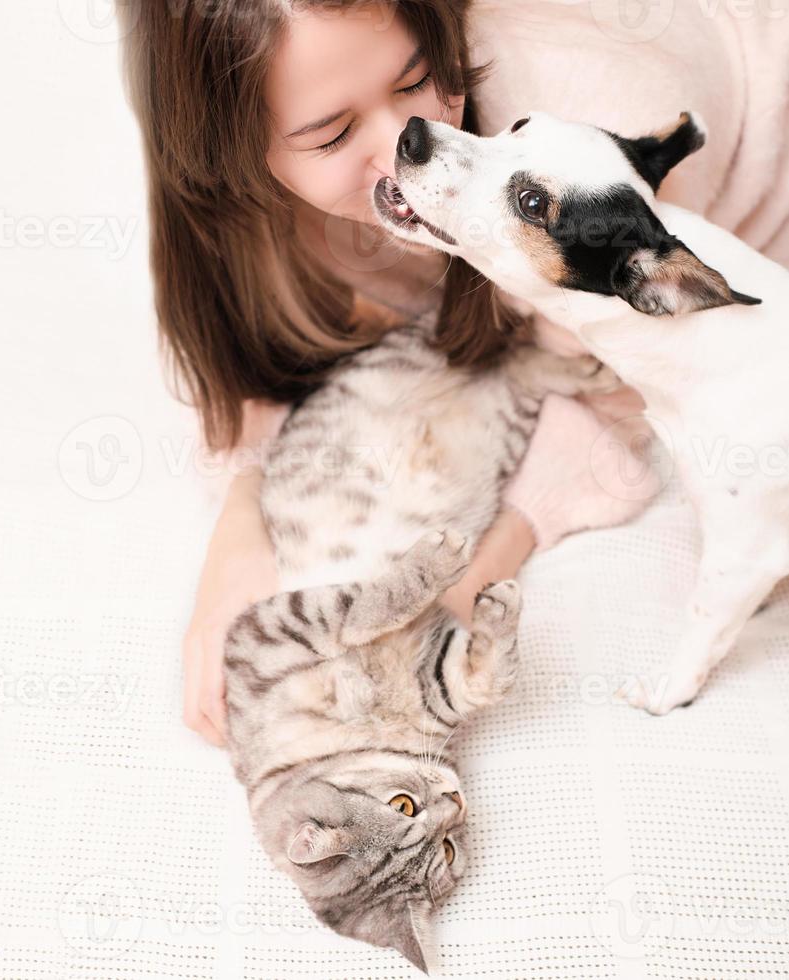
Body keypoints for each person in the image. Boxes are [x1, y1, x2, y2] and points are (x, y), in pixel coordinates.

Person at [119, 0, 789, 746]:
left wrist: (467, 581)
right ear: (228, 152)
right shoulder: (258, 209)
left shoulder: (590, 144)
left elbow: (620, 396)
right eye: (333, 133)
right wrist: (238, 536)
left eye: (420, 80)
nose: (404, 143)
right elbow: (254, 363)